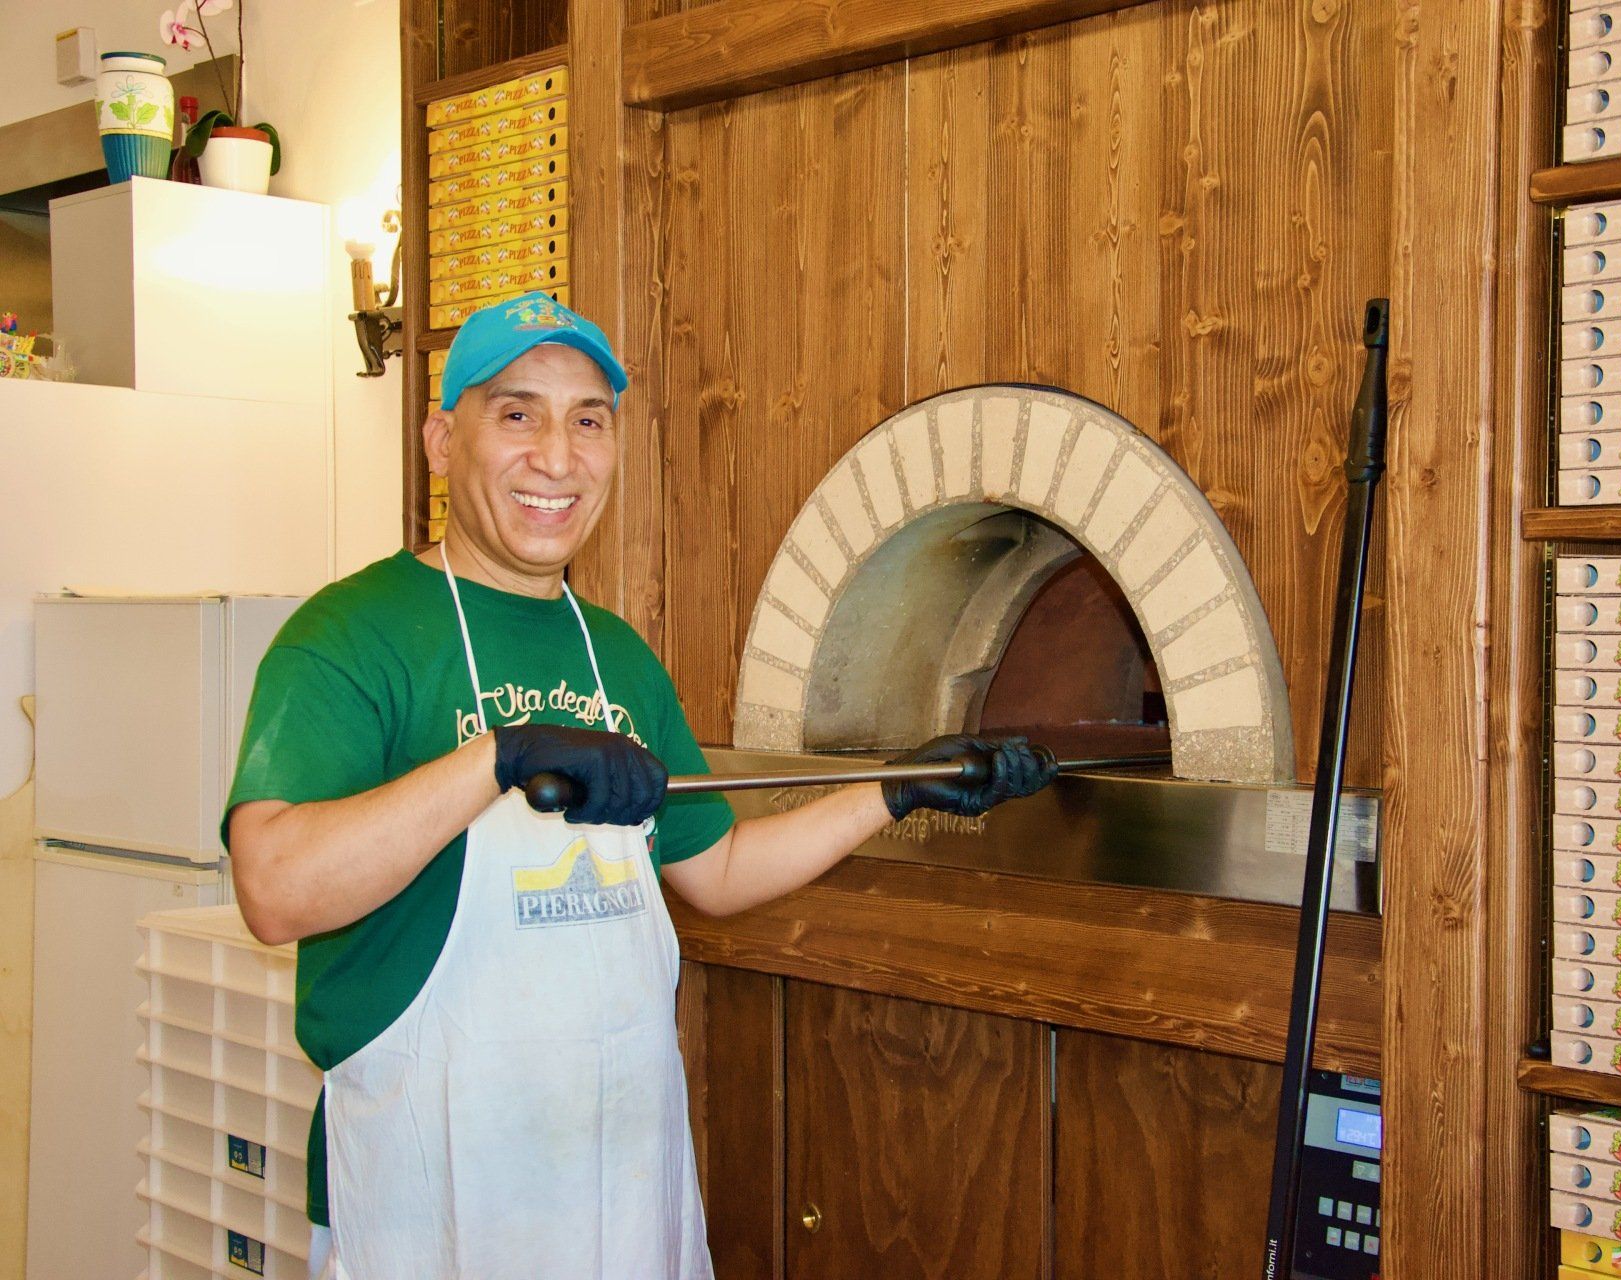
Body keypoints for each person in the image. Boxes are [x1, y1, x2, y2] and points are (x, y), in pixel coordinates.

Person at [223, 292, 1057, 1279]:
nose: (558, 456)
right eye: (517, 412)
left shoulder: (616, 656)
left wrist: (904, 789)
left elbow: (721, 867)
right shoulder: (350, 634)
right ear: (443, 439)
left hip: (618, 1184)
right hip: (431, 1200)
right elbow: (273, 886)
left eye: (589, 420)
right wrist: (494, 758)